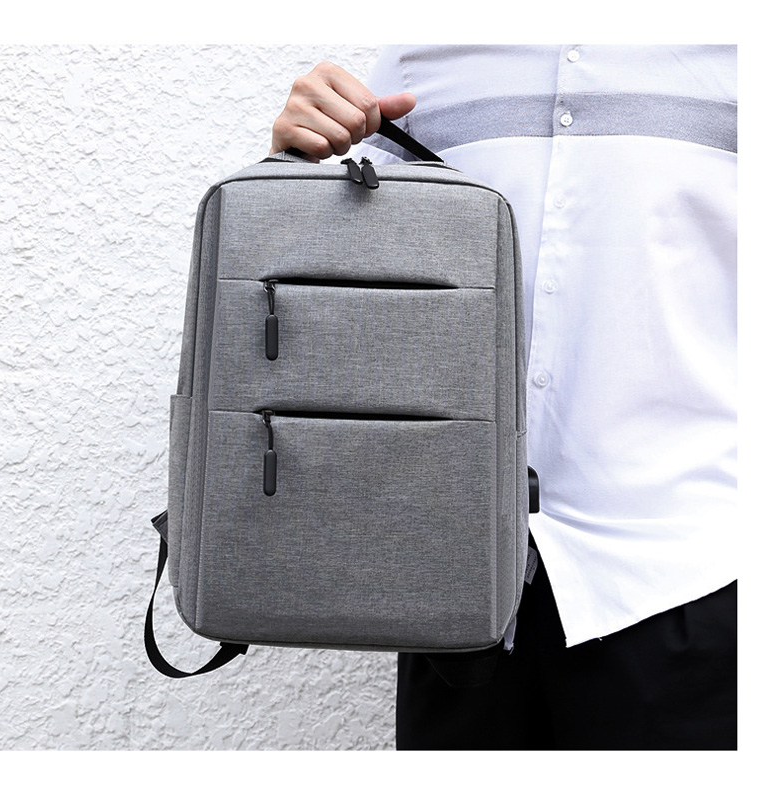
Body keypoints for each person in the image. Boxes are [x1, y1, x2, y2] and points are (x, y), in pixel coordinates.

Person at [270, 47, 737, 750]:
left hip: (690, 580)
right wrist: (292, 164)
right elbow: (349, 293)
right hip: (458, 591)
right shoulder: (422, 52)